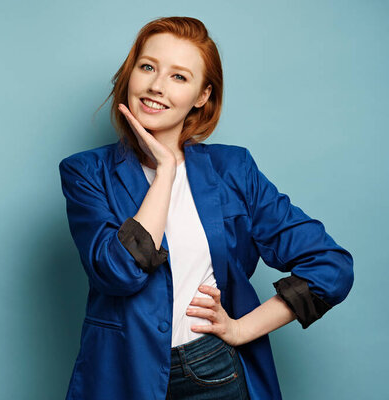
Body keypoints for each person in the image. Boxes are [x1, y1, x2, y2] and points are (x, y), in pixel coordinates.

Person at [58, 16, 354, 400]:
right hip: (119, 374)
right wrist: (165, 172)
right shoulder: (85, 172)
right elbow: (119, 275)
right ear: (129, 75)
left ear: (202, 96)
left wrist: (243, 329)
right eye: (147, 67)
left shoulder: (233, 169)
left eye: (179, 77)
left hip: (213, 372)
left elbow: (331, 267)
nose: (156, 86)